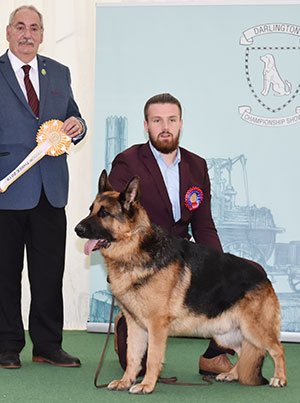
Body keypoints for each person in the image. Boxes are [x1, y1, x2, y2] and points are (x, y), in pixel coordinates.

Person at [108, 93, 266, 377]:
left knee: (250, 273)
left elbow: (203, 225)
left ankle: (215, 354)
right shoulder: (127, 162)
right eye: (157, 120)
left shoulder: (197, 165)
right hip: (142, 267)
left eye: (171, 120)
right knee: (138, 369)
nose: (164, 126)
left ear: (181, 124)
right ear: (146, 125)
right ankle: (128, 319)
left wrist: (220, 267)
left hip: (180, 261)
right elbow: (115, 220)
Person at [0, 5, 87, 369]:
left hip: (51, 189)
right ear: (8, 32)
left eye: (34, 28)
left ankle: (48, 345)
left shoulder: (59, 73)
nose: (27, 34)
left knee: (49, 272)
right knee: (5, 273)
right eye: (20, 27)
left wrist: (78, 127)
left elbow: (74, 117)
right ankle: (6, 346)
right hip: (7, 188)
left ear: (41, 34)